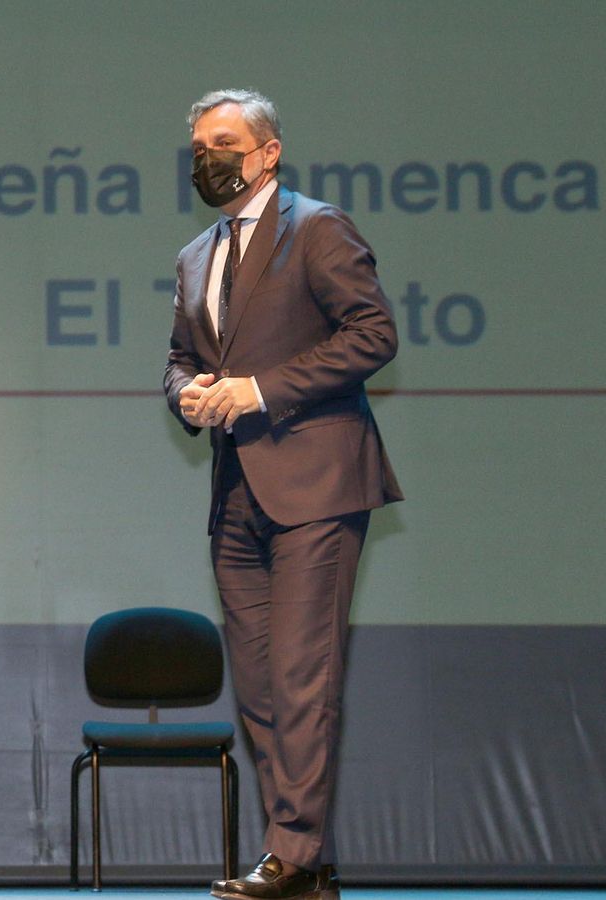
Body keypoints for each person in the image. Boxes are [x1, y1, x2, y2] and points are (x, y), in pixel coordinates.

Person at [163, 89, 404, 900]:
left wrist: (259, 390)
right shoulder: (196, 255)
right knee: (262, 688)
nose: (208, 156)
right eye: (198, 144)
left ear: (267, 153)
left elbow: (373, 334)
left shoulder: (317, 228)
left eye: (224, 142)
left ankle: (293, 855)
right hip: (236, 497)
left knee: (303, 679)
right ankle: (300, 859)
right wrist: (188, 395)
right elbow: (177, 358)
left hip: (317, 487)